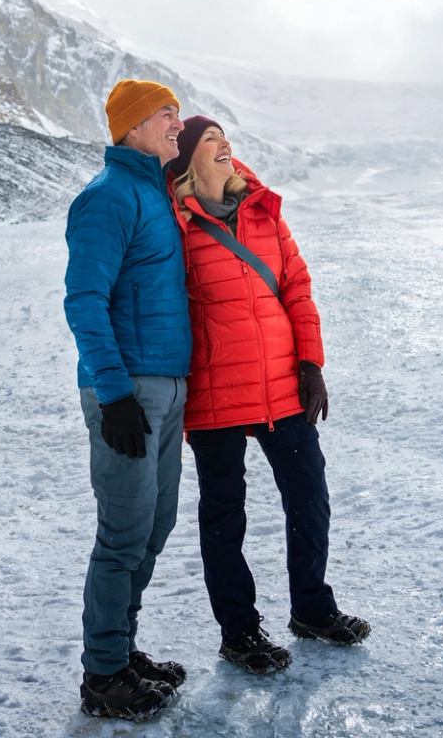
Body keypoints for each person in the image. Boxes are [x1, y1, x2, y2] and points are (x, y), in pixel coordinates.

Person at [167, 115, 371, 674]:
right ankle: (239, 632)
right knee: (224, 515)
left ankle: (311, 608)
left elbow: (297, 289)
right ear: (186, 161)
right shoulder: (172, 225)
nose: (224, 145)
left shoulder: (264, 213)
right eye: (210, 140)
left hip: (283, 383)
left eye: (225, 138)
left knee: (310, 497)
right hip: (213, 391)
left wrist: (311, 363)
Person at [62, 79, 193, 720]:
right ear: (134, 126)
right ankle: (104, 674)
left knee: (156, 524)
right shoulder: (108, 197)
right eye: (167, 114)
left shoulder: (155, 193)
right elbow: (84, 299)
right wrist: (114, 394)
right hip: (127, 389)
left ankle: (123, 647)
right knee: (122, 535)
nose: (178, 122)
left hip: (166, 384)